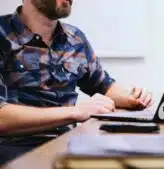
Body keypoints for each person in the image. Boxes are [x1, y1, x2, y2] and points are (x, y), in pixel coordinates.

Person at [0, 0, 152, 164]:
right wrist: (75, 112)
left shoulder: (75, 39)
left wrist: (133, 98)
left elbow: (103, 85)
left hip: (68, 141)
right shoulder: (2, 33)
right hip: (14, 147)